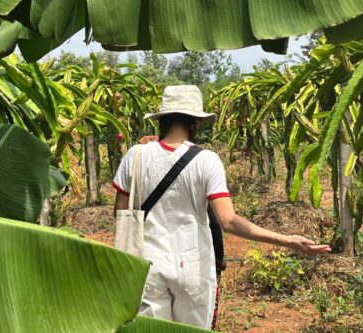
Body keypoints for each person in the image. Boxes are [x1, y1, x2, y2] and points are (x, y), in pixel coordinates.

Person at [112, 85, 331, 330]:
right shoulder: (207, 160)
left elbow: (121, 213)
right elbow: (228, 221)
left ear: (162, 120)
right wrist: (287, 240)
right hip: (193, 266)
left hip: (147, 265)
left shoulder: (136, 155)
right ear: (195, 121)